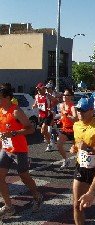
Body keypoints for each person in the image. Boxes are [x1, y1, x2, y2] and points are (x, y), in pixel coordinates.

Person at [0, 84, 43, 219]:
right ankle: (9, 206)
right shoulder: (1, 110)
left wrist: (13, 133)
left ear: (7, 98)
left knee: (24, 176)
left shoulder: (16, 111)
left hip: (19, 150)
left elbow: (30, 129)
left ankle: (37, 196)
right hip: (6, 149)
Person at [71, 97, 95, 225]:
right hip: (82, 168)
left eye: (83, 111)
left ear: (91, 111)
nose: (80, 113)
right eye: (78, 110)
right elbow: (77, 144)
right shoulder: (76, 125)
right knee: (77, 204)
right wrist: (74, 147)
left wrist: (89, 148)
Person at [32, 82, 57, 151]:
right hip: (41, 115)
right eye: (38, 89)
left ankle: (50, 142)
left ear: (44, 89)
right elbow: (36, 103)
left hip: (48, 115)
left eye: (40, 89)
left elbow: (56, 101)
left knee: (43, 129)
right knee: (43, 132)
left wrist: (51, 107)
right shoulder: (36, 96)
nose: (39, 90)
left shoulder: (48, 95)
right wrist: (34, 106)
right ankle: (50, 142)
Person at [57, 88, 77, 169]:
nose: (65, 96)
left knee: (78, 148)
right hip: (65, 129)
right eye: (64, 94)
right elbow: (62, 115)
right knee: (59, 145)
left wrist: (67, 115)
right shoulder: (61, 105)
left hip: (73, 129)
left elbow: (75, 118)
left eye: (67, 95)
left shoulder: (72, 107)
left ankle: (81, 163)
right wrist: (60, 120)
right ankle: (66, 160)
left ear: (71, 96)